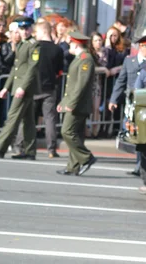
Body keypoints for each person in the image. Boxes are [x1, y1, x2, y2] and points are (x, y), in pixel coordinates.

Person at [0, 16, 40, 159]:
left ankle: (0, 147)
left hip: (24, 87)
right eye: (21, 29)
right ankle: (30, 151)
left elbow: (32, 68)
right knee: (28, 121)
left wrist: (22, 87)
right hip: (18, 85)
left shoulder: (34, 45)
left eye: (27, 28)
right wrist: (7, 87)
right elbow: (16, 68)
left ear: (31, 29)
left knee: (12, 117)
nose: (24, 31)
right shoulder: (22, 44)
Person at [108, 32, 146, 177]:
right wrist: (113, 99)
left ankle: (140, 166)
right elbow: (121, 81)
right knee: (131, 132)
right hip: (131, 103)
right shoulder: (129, 61)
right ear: (142, 47)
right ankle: (139, 164)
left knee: (143, 134)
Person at [55, 31, 97, 176]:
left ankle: (86, 157)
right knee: (76, 134)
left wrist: (71, 103)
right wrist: (64, 101)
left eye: (71, 43)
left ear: (76, 44)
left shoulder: (86, 59)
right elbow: (72, 85)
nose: (69, 46)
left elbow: (81, 84)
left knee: (67, 131)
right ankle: (73, 166)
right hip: (75, 102)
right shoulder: (80, 58)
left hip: (79, 104)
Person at [30, 20, 63, 157]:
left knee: (30, 118)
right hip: (49, 87)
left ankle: (28, 146)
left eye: (36, 32)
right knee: (50, 119)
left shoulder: (35, 47)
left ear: (43, 31)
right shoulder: (58, 49)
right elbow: (59, 71)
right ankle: (51, 149)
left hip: (34, 87)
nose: (35, 35)